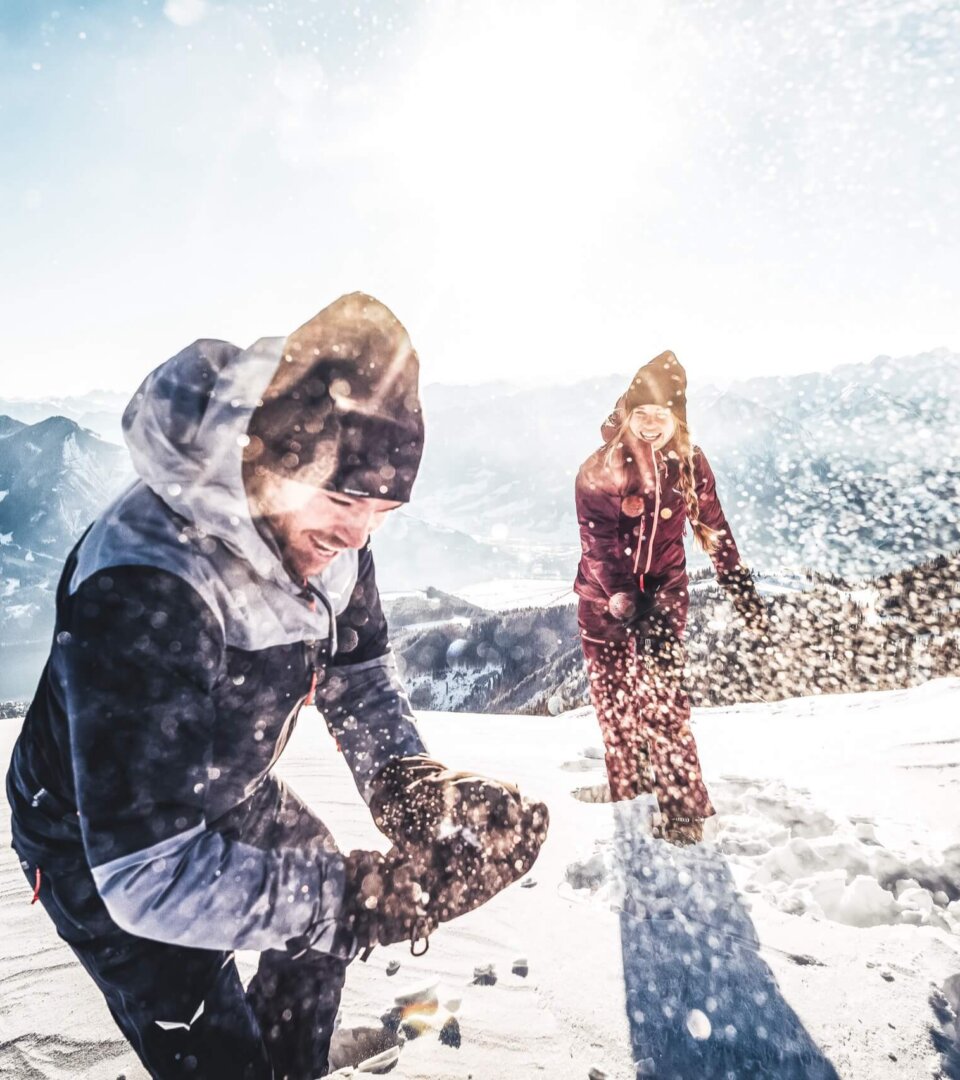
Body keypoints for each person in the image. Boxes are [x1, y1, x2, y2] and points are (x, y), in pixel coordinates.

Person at [6, 292, 547, 1080]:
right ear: (278, 459)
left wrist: (409, 785)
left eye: (384, 511)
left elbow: (356, 676)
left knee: (319, 924)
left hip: (230, 781)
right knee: (209, 1029)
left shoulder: (330, 536)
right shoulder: (146, 578)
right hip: (98, 841)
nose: (359, 535)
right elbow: (145, 874)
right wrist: (359, 898)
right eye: (344, 502)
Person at [574, 350, 766, 845]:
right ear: (628, 413)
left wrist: (737, 584)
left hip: (663, 595)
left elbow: (713, 525)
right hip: (605, 599)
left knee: (664, 703)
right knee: (614, 700)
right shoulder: (600, 469)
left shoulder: (690, 463)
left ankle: (683, 812)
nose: (652, 424)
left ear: (677, 417)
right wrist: (623, 600)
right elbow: (598, 546)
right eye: (643, 414)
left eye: (662, 415)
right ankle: (629, 790)